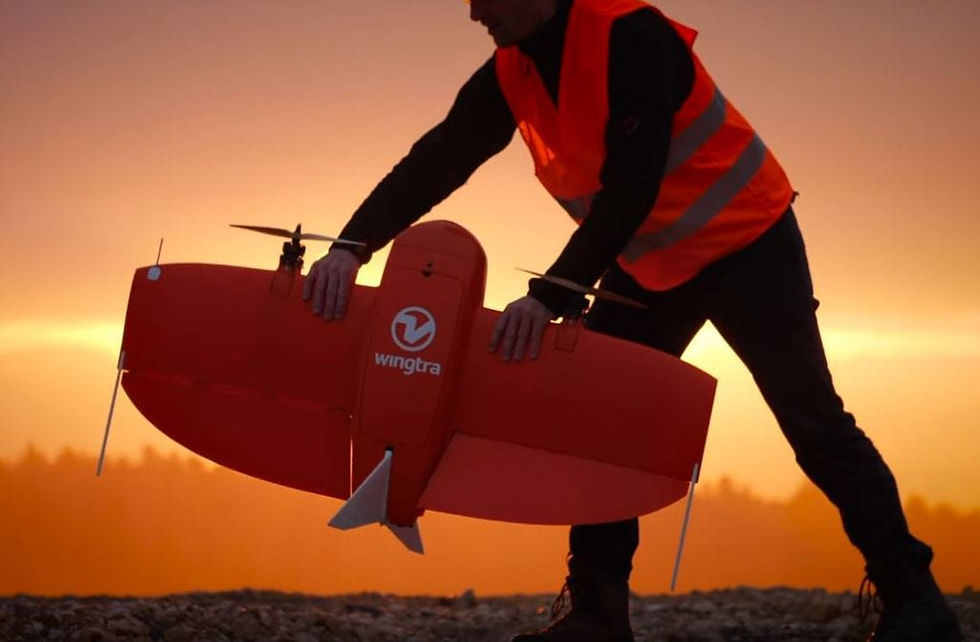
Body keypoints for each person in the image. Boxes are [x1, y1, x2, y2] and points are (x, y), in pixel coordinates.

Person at [301, 1, 962, 640]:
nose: (475, 12)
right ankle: (598, 616)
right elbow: (440, 158)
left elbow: (632, 187)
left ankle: (915, 600)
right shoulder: (514, 66)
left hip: (747, 245)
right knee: (598, 427)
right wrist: (350, 247)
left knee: (816, 425)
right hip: (652, 264)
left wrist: (551, 296)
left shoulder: (633, 35)